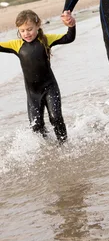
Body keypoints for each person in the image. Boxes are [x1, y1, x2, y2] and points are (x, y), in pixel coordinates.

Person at [0, 9, 76, 143]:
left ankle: (64, 145)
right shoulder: (16, 45)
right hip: (33, 94)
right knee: (36, 126)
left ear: (37, 25)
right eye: (22, 30)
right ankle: (46, 146)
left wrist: (71, 26)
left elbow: (69, 38)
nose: (26, 33)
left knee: (56, 118)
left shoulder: (45, 40)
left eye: (29, 29)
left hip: (50, 88)